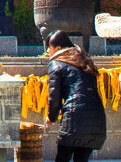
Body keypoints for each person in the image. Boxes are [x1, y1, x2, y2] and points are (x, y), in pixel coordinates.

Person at [45, 30, 107, 162]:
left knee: (62, 158)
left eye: (49, 48)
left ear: (58, 48)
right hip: (96, 120)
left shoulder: (56, 63)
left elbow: (54, 96)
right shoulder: (84, 59)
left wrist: (51, 117)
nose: (48, 52)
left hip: (74, 120)